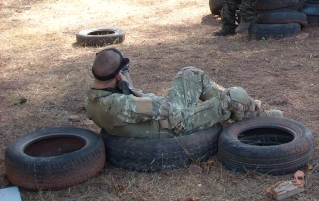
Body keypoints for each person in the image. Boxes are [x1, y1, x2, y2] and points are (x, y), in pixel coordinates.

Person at [86, 47, 281, 139]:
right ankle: (261, 118)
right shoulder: (121, 104)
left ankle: (241, 109)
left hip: (157, 116)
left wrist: (127, 86)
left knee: (190, 73)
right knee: (234, 96)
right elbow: (160, 106)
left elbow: (136, 104)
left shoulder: (94, 99)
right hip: (174, 125)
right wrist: (136, 91)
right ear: (119, 76)